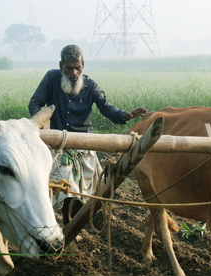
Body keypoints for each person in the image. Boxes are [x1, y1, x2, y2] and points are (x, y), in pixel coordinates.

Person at [28, 45, 148, 222]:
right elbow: (35, 104)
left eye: (78, 68)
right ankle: (68, 224)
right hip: (59, 146)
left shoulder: (91, 86)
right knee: (67, 188)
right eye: (69, 68)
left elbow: (107, 109)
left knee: (87, 192)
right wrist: (42, 125)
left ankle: (75, 224)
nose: (74, 72)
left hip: (85, 145)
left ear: (83, 64)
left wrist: (125, 115)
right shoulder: (51, 79)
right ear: (61, 66)